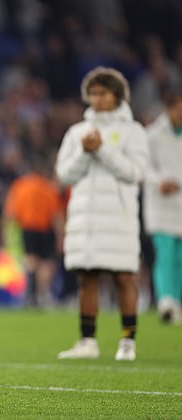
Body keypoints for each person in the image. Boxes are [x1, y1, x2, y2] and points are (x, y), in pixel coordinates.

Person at [55, 67, 148, 361]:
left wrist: (102, 150)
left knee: (124, 277)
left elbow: (135, 173)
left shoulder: (134, 131)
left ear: (117, 96)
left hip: (119, 216)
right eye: (92, 93)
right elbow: (63, 174)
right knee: (87, 278)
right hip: (86, 217)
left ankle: (128, 342)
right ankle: (87, 342)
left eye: (103, 93)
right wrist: (85, 152)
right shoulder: (77, 132)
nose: (97, 99)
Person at [2, 154, 64, 308]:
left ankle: (29, 295)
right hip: (45, 229)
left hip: (28, 228)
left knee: (30, 261)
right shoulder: (49, 188)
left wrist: (4, 232)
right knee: (46, 264)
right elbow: (57, 216)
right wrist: (60, 236)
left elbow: (10, 212)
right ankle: (43, 294)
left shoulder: (21, 185)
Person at [143, 87, 182, 325]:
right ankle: (165, 301)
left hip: (181, 202)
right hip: (160, 204)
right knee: (165, 254)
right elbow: (143, 166)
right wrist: (159, 182)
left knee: (179, 257)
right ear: (169, 107)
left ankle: (175, 302)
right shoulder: (153, 135)